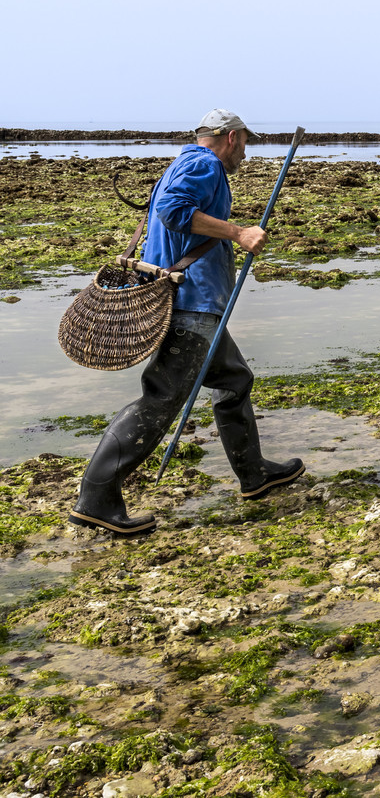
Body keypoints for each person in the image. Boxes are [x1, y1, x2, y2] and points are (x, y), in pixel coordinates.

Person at [69, 109, 305, 535]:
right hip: (190, 301)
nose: (245, 152)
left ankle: (255, 475)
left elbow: (170, 209)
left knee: (233, 381)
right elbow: (174, 212)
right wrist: (238, 233)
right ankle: (95, 498)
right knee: (161, 399)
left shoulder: (182, 162)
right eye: (245, 143)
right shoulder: (205, 163)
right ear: (231, 138)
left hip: (192, 300)